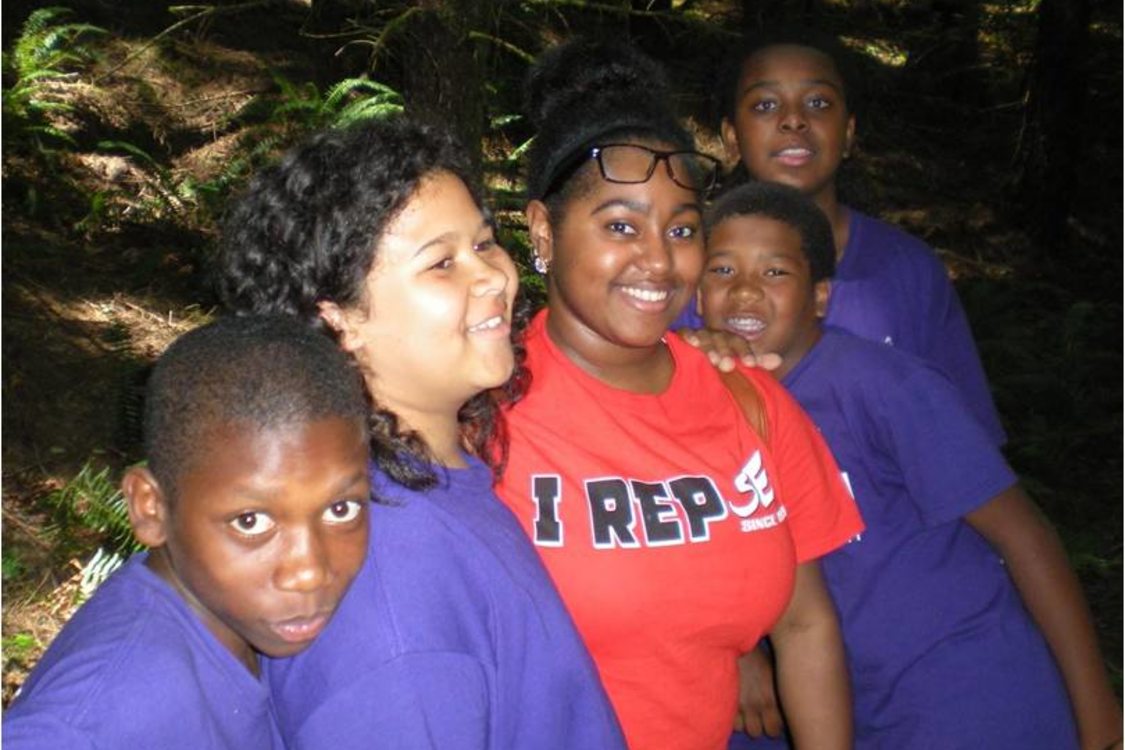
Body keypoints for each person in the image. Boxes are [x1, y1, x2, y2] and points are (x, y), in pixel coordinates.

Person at [493, 38, 864, 750]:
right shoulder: (486, 405)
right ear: (543, 230)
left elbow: (804, 622)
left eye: (683, 229)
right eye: (620, 227)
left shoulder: (746, 399)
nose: (659, 261)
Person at [216, 117, 625, 749]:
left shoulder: (439, 473)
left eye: (485, 244)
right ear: (340, 319)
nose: (495, 276)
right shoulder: (385, 581)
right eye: (441, 263)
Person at [698, 180, 1123, 750]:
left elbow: (1025, 537)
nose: (744, 291)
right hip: (841, 700)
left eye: (775, 272)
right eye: (722, 270)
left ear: (820, 296)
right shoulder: (698, 402)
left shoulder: (883, 385)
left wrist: (1100, 724)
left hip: (963, 693)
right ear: (696, 294)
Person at [2, 315, 373, 749]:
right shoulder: (106, 713)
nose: (309, 571)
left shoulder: (232, 622)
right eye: (251, 522)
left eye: (341, 509)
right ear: (151, 508)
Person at [673, 27, 1005, 446]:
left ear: (848, 132)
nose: (794, 119)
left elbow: (967, 446)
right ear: (733, 138)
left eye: (817, 102)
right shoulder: (689, 265)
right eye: (765, 104)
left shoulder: (908, 270)